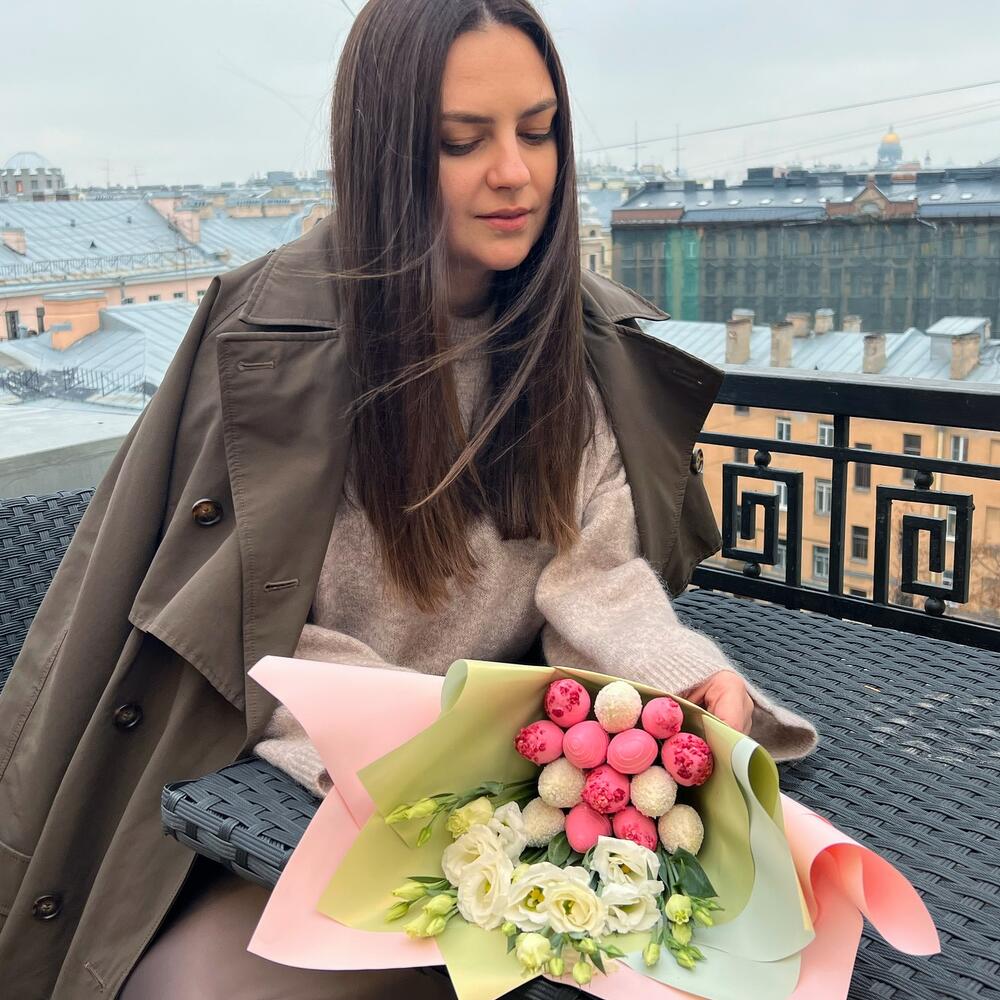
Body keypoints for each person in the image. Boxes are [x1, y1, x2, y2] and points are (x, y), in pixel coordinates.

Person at [0, 1, 817, 997]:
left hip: (511, 786)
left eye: (539, 131)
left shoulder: (576, 346)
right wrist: (430, 744)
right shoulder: (274, 346)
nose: (514, 172)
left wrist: (679, 678)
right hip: (286, 782)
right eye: (461, 141)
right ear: (383, 152)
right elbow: (243, 632)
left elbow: (593, 572)